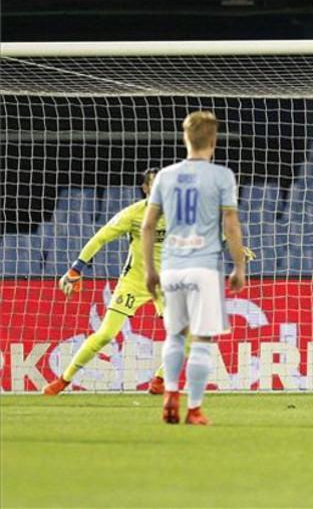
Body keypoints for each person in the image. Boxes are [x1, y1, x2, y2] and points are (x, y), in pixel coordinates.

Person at [143, 111, 247, 426]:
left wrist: (150, 270)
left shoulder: (165, 176)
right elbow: (230, 224)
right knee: (202, 339)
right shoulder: (221, 176)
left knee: (174, 335)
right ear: (213, 141)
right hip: (204, 267)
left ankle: (170, 396)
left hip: (172, 267)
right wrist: (239, 265)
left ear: (184, 138)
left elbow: (148, 226)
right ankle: (195, 408)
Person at [43, 170, 168, 395]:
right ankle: (64, 380)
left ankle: (159, 380)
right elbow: (100, 237)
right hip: (135, 282)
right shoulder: (133, 214)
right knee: (105, 335)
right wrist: (76, 268)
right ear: (146, 189)